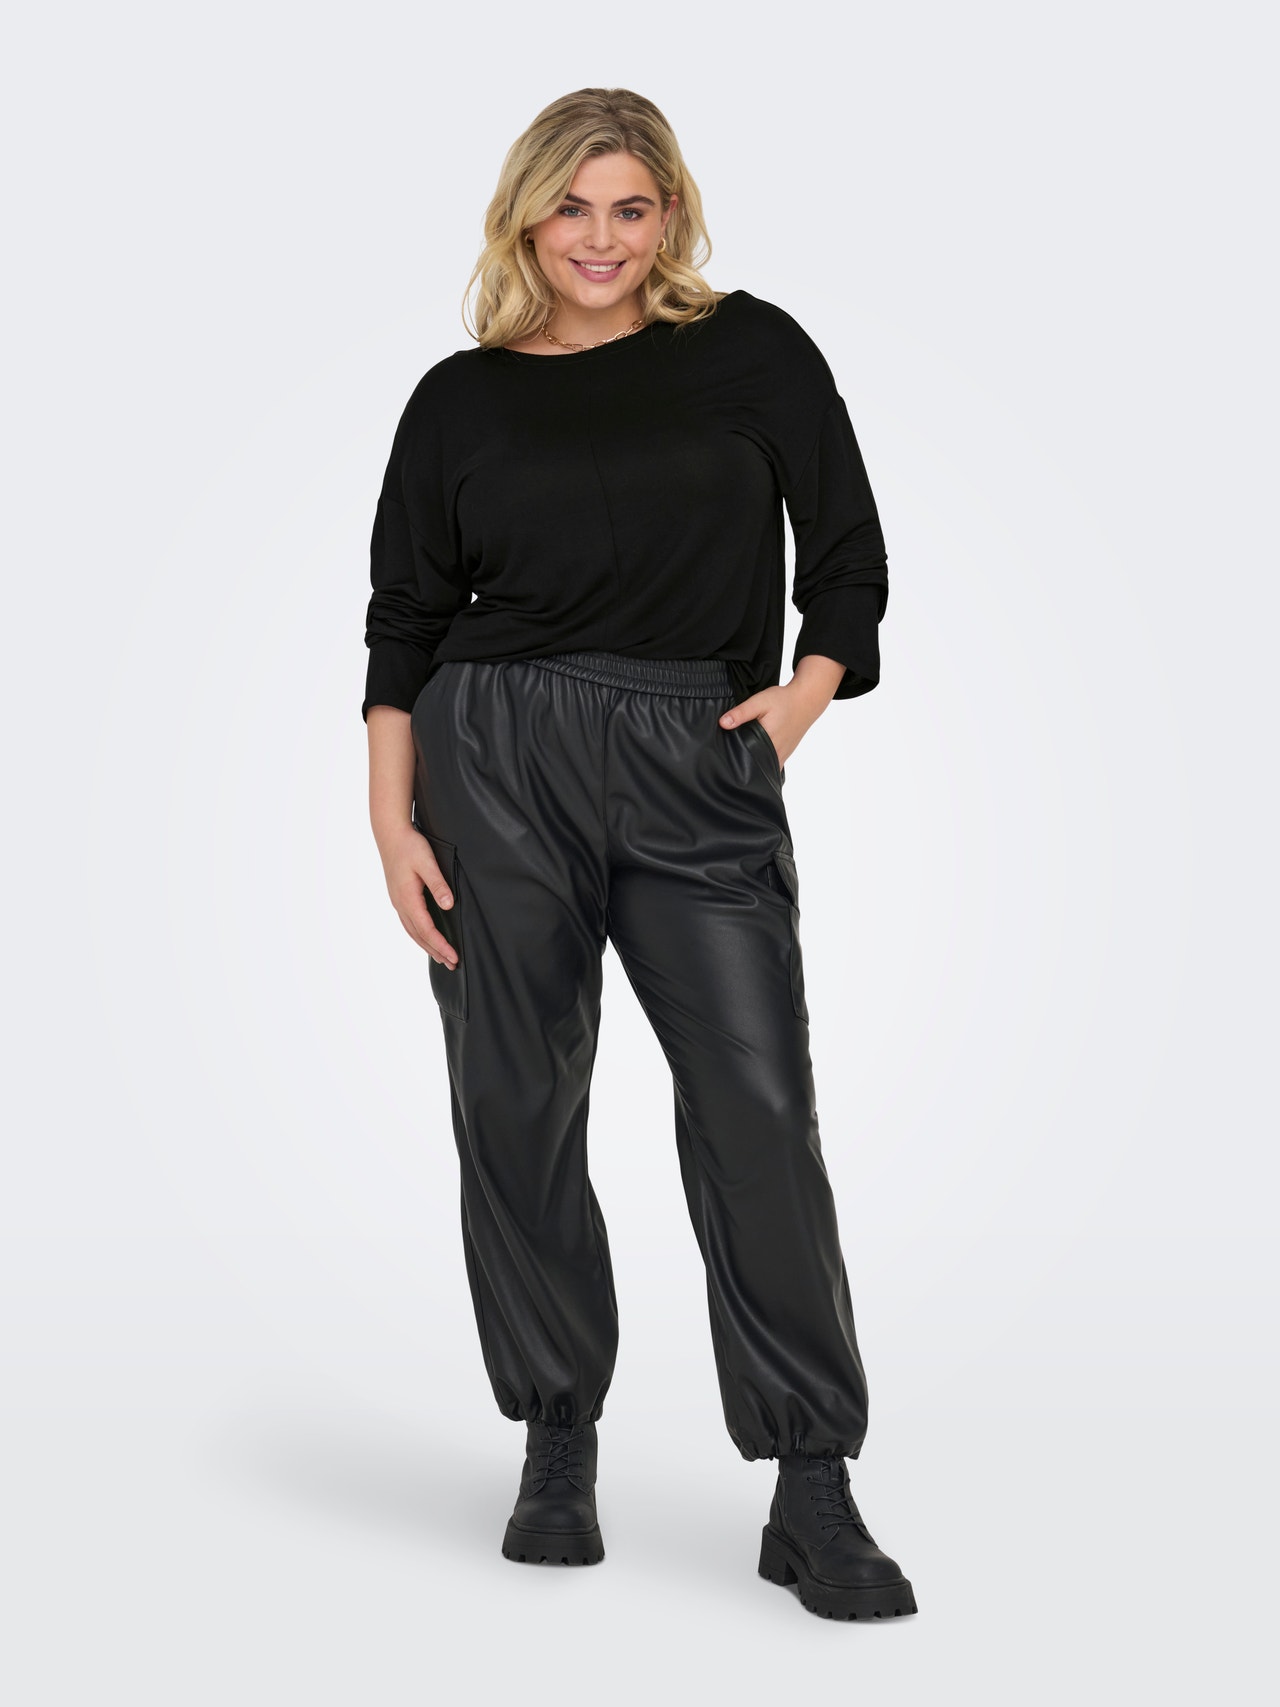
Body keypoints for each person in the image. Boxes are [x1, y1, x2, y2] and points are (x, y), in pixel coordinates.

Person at [361, 86, 917, 1623]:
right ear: (525, 217)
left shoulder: (753, 350)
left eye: (630, 206)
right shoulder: (459, 400)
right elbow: (403, 620)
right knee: (516, 1104)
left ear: (669, 213)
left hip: (695, 756)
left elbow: (850, 557)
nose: (599, 239)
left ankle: (812, 1485)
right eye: (571, 207)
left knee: (757, 1105)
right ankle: (557, 1436)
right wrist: (391, 819)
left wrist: (795, 706)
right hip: (495, 761)